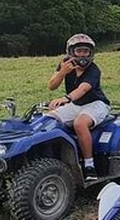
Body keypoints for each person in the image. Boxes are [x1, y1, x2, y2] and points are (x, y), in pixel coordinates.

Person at [47, 33, 111, 182]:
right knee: (48, 119)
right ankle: (58, 156)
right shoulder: (65, 64)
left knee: (80, 123)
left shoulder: (94, 70)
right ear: (71, 52)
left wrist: (65, 99)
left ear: (91, 53)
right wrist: (62, 72)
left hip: (96, 104)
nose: (82, 55)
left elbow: (83, 89)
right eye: (79, 51)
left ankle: (89, 166)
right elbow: (52, 86)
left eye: (85, 51)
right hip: (75, 104)